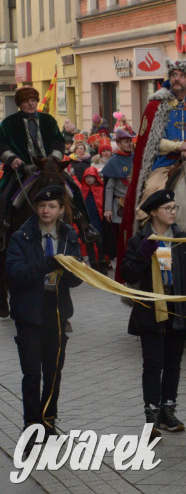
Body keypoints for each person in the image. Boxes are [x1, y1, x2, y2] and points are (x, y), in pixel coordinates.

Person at [121, 190, 186, 437]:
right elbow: (128, 274)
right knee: (152, 364)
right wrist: (143, 254)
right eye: (167, 208)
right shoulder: (140, 240)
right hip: (151, 313)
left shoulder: (182, 239)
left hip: (177, 311)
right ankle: (151, 415)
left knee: (173, 363)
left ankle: (169, 410)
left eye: (174, 207)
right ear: (154, 212)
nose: (172, 212)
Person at [120, 58, 186, 267]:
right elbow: (151, 142)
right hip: (164, 164)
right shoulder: (156, 105)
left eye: (181, 75)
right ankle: (148, 235)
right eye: (173, 74)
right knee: (152, 191)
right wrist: (178, 146)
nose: (176, 78)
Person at [6, 185, 82, 435]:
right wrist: (45, 264)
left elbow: (76, 278)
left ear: (61, 209)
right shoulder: (21, 236)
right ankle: (31, 424)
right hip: (28, 313)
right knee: (31, 374)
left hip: (57, 313)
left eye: (51, 206)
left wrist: (73, 271)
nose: (45, 210)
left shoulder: (69, 235)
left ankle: (48, 420)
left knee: (53, 372)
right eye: (41, 206)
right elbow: (15, 274)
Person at [0, 86, 98, 250]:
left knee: (73, 188)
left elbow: (58, 141)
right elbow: (1, 144)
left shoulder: (48, 120)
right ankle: (3, 229)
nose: (30, 104)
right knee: (5, 193)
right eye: (26, 101)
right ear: (19, 104)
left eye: (33, 100)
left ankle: (85, 226)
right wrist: (11, 158)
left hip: (49, 167)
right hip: (21, 169)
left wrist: (54, 159)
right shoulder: (9, 123)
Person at [103, 130, 134, 271]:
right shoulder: (113, 161)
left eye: (130, 141)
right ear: (119, 143)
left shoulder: (136, 158)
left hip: (136, 204)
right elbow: (109, 188)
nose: (129, 143)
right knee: (122, 237)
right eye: (126, 141)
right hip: (119, 206)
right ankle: (124, 262)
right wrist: (108, 209)